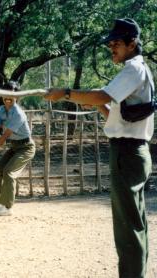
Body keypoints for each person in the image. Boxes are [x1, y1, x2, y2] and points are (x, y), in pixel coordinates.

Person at [44, 18, 154, 278]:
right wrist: (97, 105)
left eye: (116, 43)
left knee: (127, 227)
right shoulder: (140, 70)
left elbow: (102, 95)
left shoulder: (133, 70)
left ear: (132, 43)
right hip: (133, 152)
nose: (111, 48)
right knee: (135, 224)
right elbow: (118, 117)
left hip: (127, 154)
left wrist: (66, 93)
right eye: (110, 44)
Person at [0, 81, 36, 216]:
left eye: (12, 96)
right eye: (6, 95)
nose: (8, 99)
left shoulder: (18, 114)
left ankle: (7, 207)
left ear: (17, 96)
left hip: (26, 147)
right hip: (15, 146)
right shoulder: (1, 110)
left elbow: (4, 137)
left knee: (9, 173)